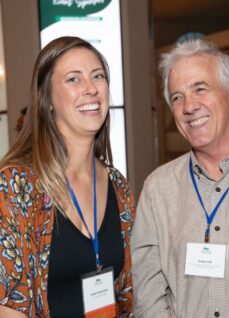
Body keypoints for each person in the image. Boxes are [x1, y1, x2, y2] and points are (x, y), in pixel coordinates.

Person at [131, 39, 229, 317]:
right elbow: (147, 295)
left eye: (200, 89)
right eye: (177, 97)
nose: (189, 107)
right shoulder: (158, 189)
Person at [0, 36, 135, 318]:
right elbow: (8, 305)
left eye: (97, 76)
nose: (90, 88)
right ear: (46, 99)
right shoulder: (15, 185)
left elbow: (128, 291)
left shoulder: (118, 185)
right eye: (73, 79)